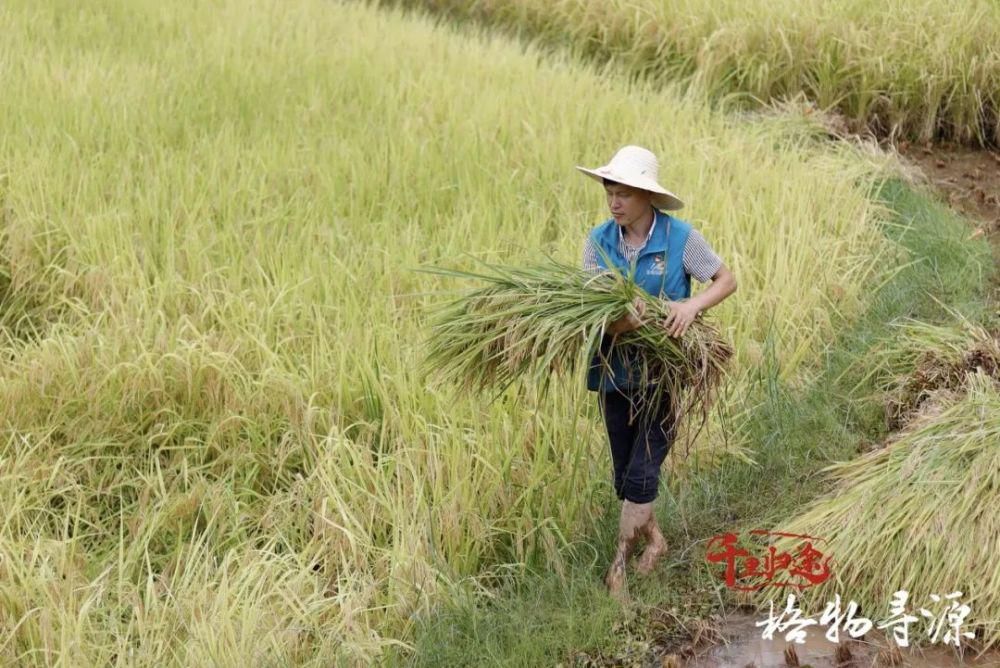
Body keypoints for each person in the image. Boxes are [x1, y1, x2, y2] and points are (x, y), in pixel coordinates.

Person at [576, 144, 737, 599]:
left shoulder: (680, 238)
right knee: (626, 477)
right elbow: (588, 308)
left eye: (624, 193)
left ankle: (619, 567)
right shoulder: (598, 243)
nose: (614, 202)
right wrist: (620, 322)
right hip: (613, 374)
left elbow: (726, 280)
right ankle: (657, 541)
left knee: (644, 471)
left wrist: (690, 306)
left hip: (662, 376)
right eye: (610, 191)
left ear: (647, 195)